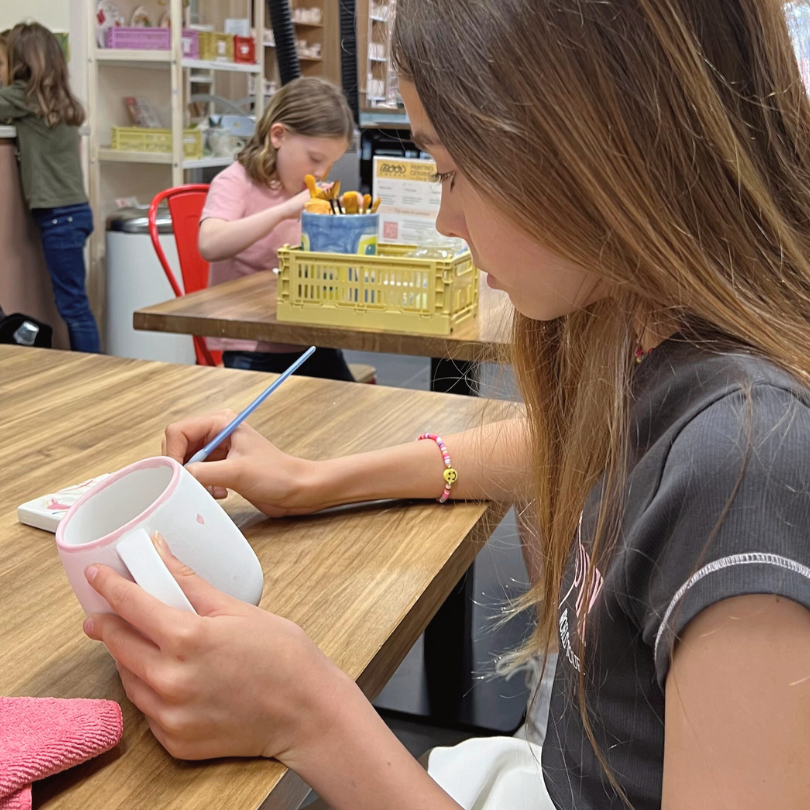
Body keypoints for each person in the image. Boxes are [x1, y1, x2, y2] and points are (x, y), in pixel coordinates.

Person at [80, 0, 810, 808]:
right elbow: (569, 446)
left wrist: (311, 715)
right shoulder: (668, 361)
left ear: (599, 147)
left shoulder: (749, 468)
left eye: (451, 171)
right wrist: (314, 479)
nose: (445, 218)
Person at [198, 76, 356, 380]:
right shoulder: (236, 182)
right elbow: (210, 244)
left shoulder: (307, 191)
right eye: (315, 159)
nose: (321, 173)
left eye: (330, 164)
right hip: (254, 345)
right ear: (278, 136)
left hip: (312, 339)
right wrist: (285, 210)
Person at [0, 22, 99, 353]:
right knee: (75, 304)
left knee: (74, 309)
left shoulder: (22, 98)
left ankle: (93, 370)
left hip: (59, 218)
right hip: (76, 213)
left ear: (19, 63)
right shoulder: (60, 101)